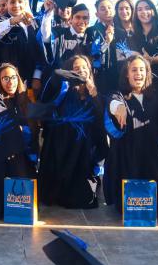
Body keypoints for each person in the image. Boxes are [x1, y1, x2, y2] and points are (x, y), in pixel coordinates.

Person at [36, 55, 108, 209]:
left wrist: (93, 92)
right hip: (61, 143)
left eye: (84, 67)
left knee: (83, 198)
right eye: (76, 68)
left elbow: (101, 117)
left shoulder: (95, 93)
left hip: (83, 148)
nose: (81, 70)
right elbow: (47, 98)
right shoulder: (63, 89)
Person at [104, 55, 158, 210]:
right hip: (126, 156)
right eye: (134, 70)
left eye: (142, 70)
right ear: (127, 74)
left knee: (149, 207)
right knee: (126, 207)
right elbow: (112, 102)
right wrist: (119, 107)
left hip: (151, 156)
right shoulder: (120, 96)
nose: (138, 73)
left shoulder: (155, 97)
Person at [0, 63, 36, 220]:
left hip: (23, 153)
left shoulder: (25, 99)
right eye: (5, 78)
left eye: (13, 77)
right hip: (2, 153)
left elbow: (32, 127)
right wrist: (17, 126)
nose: (10, 82)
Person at [0, 0, 44, 88]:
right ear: (7, 4)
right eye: (13, 2)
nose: (16, 5)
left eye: (20, 2)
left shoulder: (32, 23)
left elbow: (38, 52)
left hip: (30, 81)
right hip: (9, 82)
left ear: (25, 4)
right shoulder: (1, 21)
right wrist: (13, 20)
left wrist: (37, 77)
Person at [130, 0, 158, 98]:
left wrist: (152, 60)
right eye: (140, 9)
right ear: (136, 14)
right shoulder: (132, 36)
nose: (144, 12)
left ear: (153, 11)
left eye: (147, 8)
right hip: (140, 87)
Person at [40, 0, 92, 73]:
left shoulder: (90, 38)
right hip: (59, 81)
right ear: (70, 19)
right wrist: (48, 12)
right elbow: (46, 36)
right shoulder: (58, 34)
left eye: (85, 18)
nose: (81, 21)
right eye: (78, 17)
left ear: (89, 20)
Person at [87, 0, 118, 94]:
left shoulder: (121, 28)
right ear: (97, 14)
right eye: (103, 9)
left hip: (120, 74)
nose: (107, 11)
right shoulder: (92, 31)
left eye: (109, 7)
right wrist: (107, 42)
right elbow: (93, 55)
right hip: (101, 76)